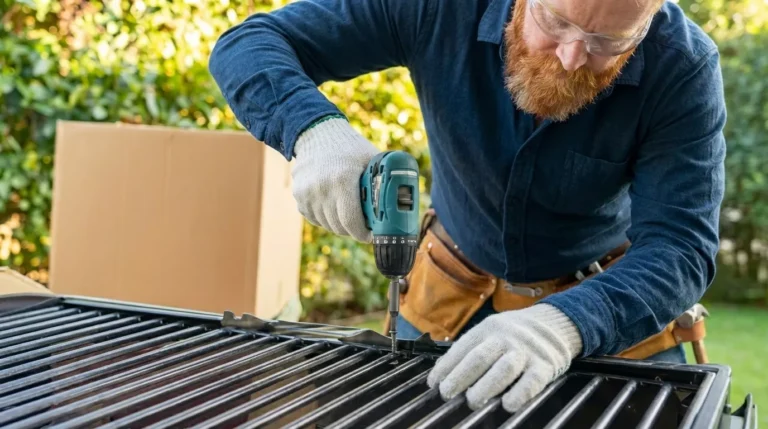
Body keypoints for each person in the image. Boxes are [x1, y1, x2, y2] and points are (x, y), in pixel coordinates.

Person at [208, 0, 726, 414]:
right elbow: (248, 44)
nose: (571, 57)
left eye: (608, 43)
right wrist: (313, 132)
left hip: (605, 305)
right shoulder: (438, 7)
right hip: (447, 292)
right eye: (557, 22)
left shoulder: (683, 66)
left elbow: (680, 247)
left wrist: (565, 324)